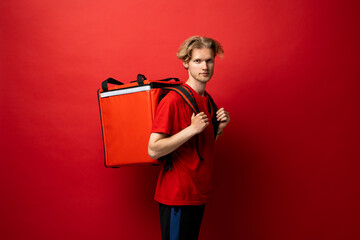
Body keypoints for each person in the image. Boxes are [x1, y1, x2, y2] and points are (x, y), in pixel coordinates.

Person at [148, 36, 230, 240]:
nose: (205, 66)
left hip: (197, 194)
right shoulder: (173, 100)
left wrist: (218, 129)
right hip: (177, 196)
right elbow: (153, 149)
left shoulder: (207, 100)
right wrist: (191, 129)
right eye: (197, 61)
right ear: (186, 62)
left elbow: (202, 148)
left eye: (209, 60)